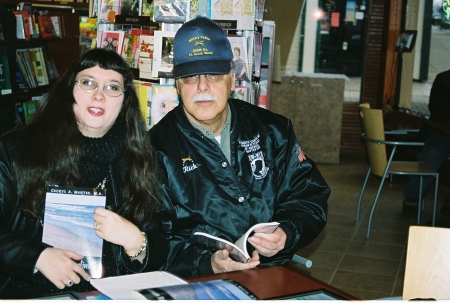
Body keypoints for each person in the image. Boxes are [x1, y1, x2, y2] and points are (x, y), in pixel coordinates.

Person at [150, 17, 330, 278]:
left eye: (213, 74)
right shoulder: (155, 150)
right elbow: (151, 241)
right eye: (190, 77)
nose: (203, 86)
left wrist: (287, 233)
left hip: (270, 274)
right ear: (177, 85)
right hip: (197, 282)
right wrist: (207, 263)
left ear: (232, 79)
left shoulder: (272, 130)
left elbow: (308, 196)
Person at [0, 48, 166, 299]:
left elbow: (162, 242)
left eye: (112, 87)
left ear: (124, 102)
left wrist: (137, 243)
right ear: (69, 90)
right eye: (88, 83)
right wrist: (36, 257)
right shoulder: (16, 150)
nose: (99, 96)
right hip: (29, 294)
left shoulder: (140, 159)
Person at [402, 69, 450, 217]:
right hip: (442, 131)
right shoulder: (444, 79)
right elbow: (436, 109)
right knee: (431, 154)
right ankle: (413, 197)